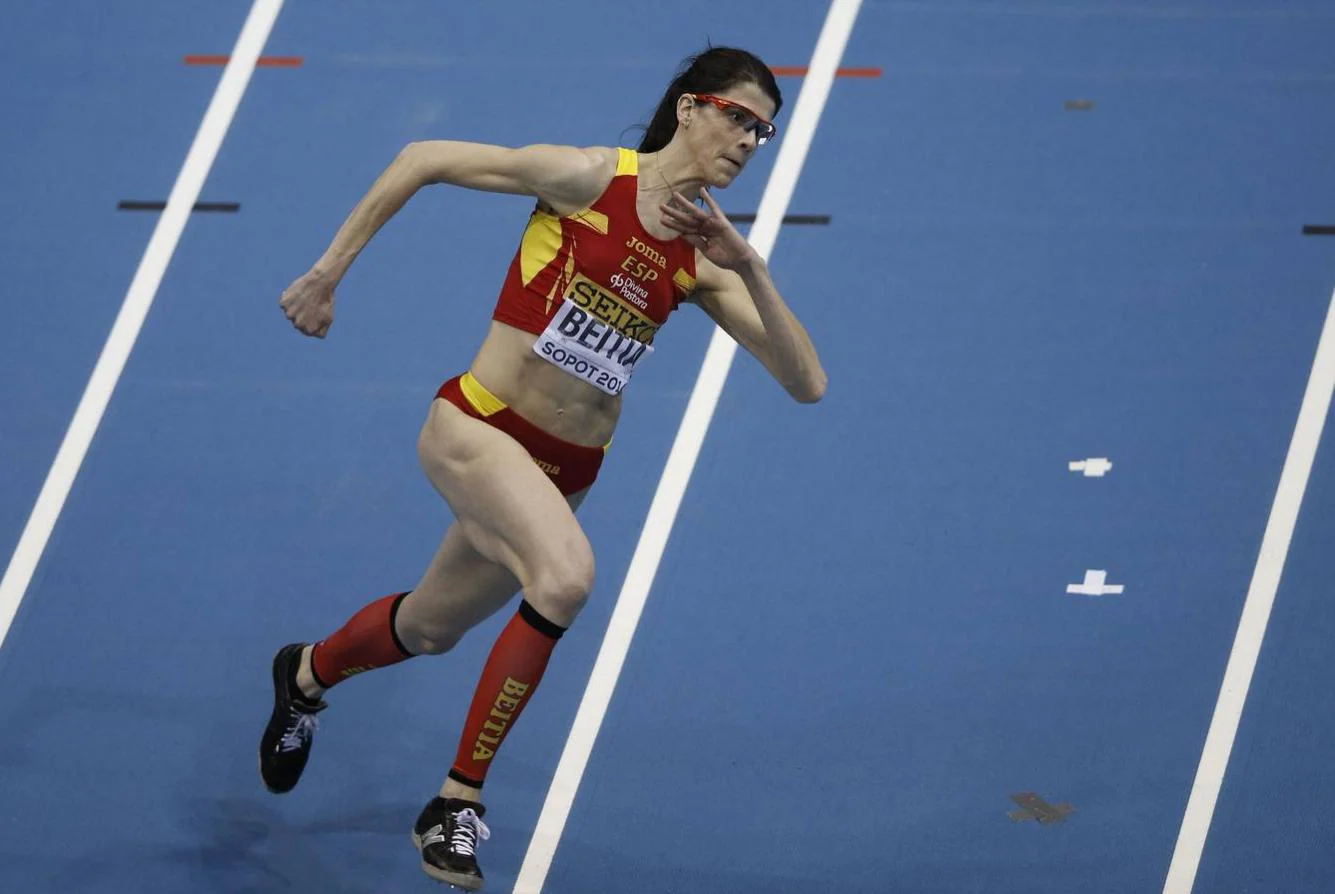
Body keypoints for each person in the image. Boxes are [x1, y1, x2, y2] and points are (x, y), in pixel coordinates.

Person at [259, 45, 826, 890]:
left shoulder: (706, 259)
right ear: (689, 109)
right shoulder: (590, 178)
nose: (749, 141)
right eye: (738, 117)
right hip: (477, 428)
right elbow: (424, 158)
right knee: (564, 580)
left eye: (764, 132)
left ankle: (305, 675)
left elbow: (805, 382)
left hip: (566, 471)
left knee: (429, 629)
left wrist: (749, 267)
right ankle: (455, 803)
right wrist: (327, 273)